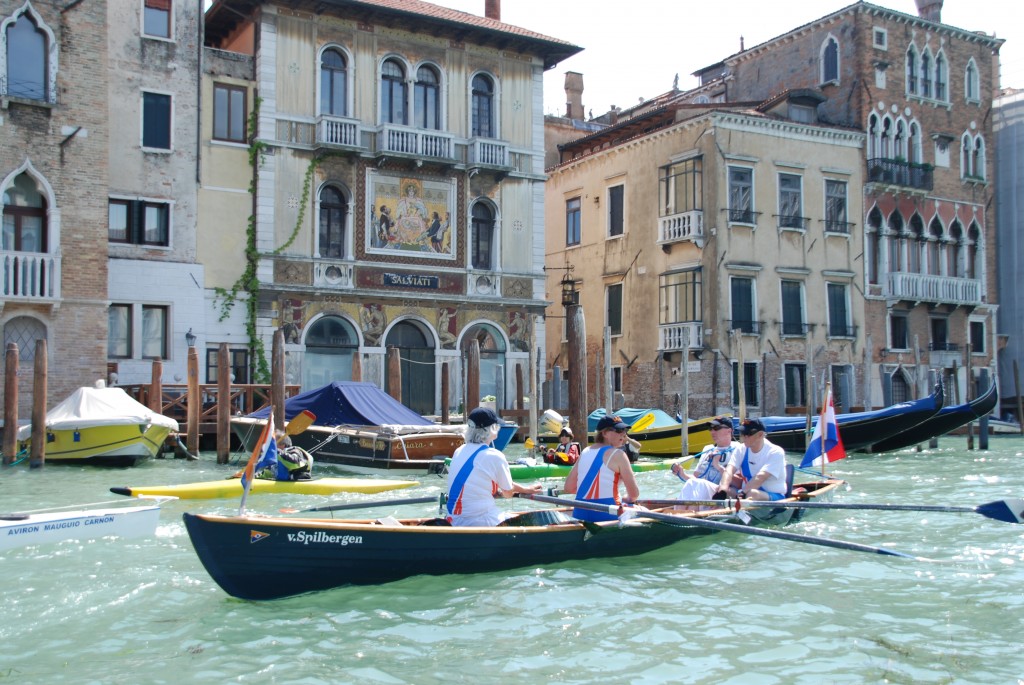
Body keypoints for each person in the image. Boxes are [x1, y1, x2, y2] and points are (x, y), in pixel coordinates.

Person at [445, 407, 541, 526]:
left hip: (452, 519)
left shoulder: (459, 451)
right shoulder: (494, 455)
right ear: (490, 430)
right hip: (479, 520)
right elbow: (508, 493)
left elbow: (479, 481)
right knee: (531, 522)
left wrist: (526, 489)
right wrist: (504, 491)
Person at [562, 415, 641, 522]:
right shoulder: (619, 455)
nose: (623, 434)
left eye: (625, 430)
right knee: (639, 508)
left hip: (580, 514)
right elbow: (634, 495)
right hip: (609, 515)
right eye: (619, 430)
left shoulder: (585, 452)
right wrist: (626, 498)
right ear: (604, 433)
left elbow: (568, 488)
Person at [670, 416, 739, 506]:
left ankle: (682, 513)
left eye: (716, 428)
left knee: (696, 488)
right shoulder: (708, 449)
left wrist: (717, 465)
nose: (712, 432)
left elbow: (738, 484)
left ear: (729, 431)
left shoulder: (739, 450)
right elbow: (696, 480)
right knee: (689, 488)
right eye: (710, 428)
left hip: (722, 495)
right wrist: (682, 474)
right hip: (703, 493)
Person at [717, 418, 788, 501]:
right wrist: (723, 489)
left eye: (748, 434)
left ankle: (740, 511)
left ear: (760, 434)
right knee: (719, 488)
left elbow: (760, 477)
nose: (744, 437)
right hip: (745, 494)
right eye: (742, 433)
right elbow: (729, 470)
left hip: (774, 496)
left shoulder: (776, 452)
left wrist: (743, 493)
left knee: (752, 493)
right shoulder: (741, 449)